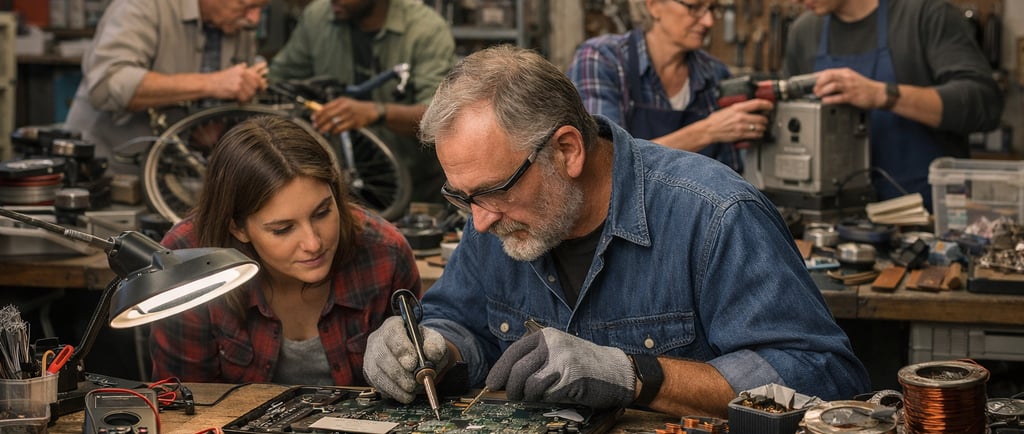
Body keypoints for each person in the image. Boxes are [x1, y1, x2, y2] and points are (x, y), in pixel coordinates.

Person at [362, 45, 870, 417]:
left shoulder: (714, 214)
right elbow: (463, 322)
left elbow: (822, 377)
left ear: (567, 150)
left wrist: (637, 376)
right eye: (463, 196)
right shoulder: (492, 212)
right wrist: (432, 347)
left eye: (493, 192)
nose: (478, 221)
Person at [149, 116, 420, 385]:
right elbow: (183, 403)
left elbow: (418, 388)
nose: (313, 243)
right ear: (237, 227)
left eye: (323, 212)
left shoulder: (384, 252)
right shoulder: (187, 259)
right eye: (282, 229)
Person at [782, 0, 1003, 211]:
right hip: (833, 222)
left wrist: (882, 95)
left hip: (927, 219)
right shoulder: (804, 32)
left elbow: (984, 103)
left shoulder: (927, 15)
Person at [268, 0, 457, 205]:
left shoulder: (426, 29)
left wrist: (377, 113)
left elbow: (441, 117)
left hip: (414, 185)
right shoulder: (318, 17)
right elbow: (278, 79)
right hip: (335, 182)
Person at [566, 0, 775, 172]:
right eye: (694, 7)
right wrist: (708, 131)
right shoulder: (601, 60)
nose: (709, 21)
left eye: (712, 9)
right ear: (653, 5)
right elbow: (603, 161)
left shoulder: (714, 74)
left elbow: (730, 172)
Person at [65, 0, 271, 173]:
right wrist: (211, 83)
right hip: (106, 167)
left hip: (170, 171)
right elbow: (106, 85)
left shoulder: (238, 23)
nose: (254, 19)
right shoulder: (144, 5)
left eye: (261, 7)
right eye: (246, 6)